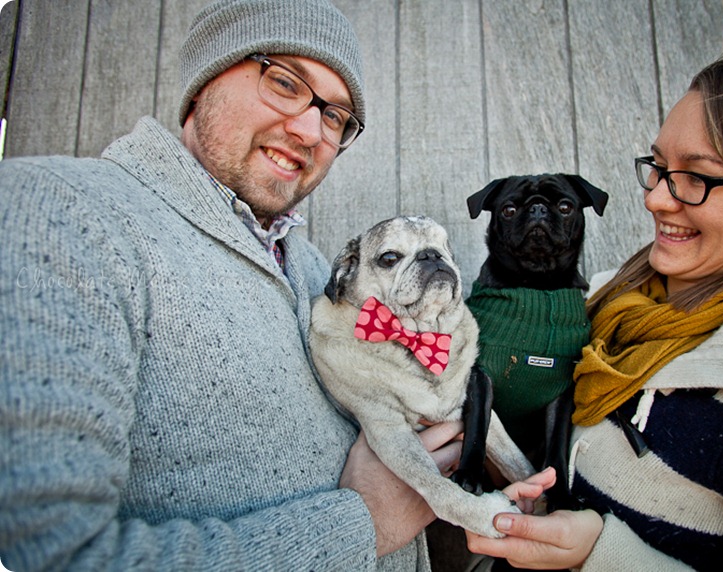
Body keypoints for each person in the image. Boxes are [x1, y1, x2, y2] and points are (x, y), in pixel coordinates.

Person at [0, 0, 462, 570]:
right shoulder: (59, 211)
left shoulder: (322, 272)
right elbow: (52, 557)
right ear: (204, 82)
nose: (312, 130)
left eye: (337, 117)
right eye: (286, 83)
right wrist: (360, 525)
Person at [465, 34, 723, 571]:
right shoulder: (604, 300)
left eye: (695, 177)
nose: (654, 198)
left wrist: (599, 554)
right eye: (657, 166)